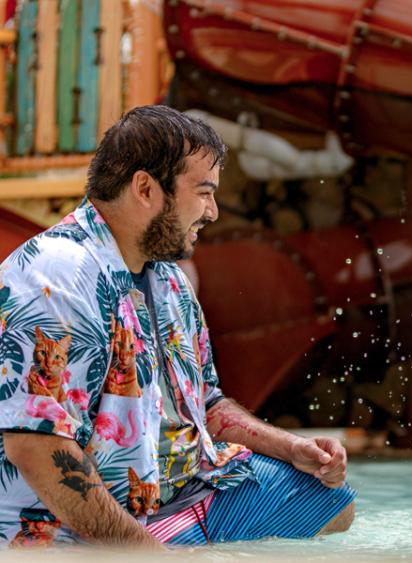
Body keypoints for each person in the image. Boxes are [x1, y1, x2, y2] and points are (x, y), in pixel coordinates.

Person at [0, 105, 355, 548]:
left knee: (328, 500)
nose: (213, 212)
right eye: (204, 192)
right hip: (71, 527)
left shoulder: (168, 279)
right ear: (145, 188)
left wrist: (291, 447)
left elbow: (206, 404)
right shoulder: (55, 275)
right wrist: (149, 556)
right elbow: (35, 448)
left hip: (180, 490)